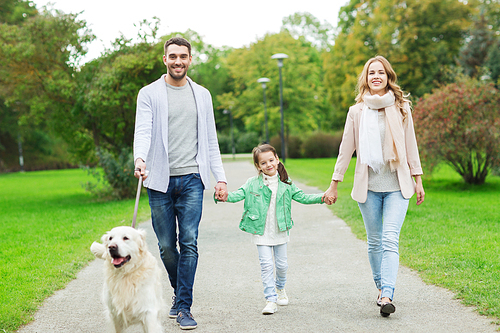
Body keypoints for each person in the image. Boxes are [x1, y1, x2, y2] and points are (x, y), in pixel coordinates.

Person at [133, 36, 228, 330]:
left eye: (183, 56)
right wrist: (140, 159)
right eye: (172, 56)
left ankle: (184, 305)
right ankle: (180, 292)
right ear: (165, 59)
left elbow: (211, 140)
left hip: (192, 180)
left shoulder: (202, 95)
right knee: (165, 246)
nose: (178, 61)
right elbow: (143, 131)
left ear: (190, 59)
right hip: (159, 180)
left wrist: (220, 177)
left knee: (189, 242)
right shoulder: (149, 94)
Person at [323, 55, 425, 317]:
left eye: (381, 72)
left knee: (390, 239)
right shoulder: (356, 112)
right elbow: (346, 149)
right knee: (375, 242)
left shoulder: (402, 108)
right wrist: (334, 184)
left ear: (388, 77)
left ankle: (388, 294)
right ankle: (381, 289)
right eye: (371, 73)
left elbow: (411, 144)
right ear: (366, 79)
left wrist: (418, 178)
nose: (376, 76)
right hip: (368, 187)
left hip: (396, 186)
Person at [216, 144, 330, 315]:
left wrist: (322, 198)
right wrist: (225, 196)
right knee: (267, 265)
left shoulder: (286, 184)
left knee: (282, 265)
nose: (268, 165)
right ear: (258, 166)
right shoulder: (252, 183)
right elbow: (237, 194)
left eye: (271, 160)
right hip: (261, 231)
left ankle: (280, 289)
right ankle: (270, 299)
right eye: (263, 163)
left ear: (277, 160)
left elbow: (303, 197)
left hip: (280, 230)